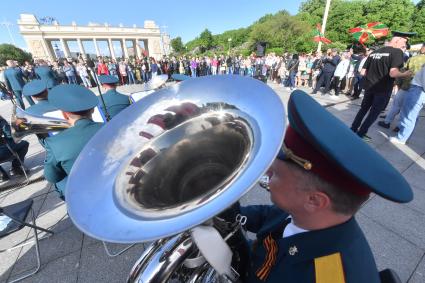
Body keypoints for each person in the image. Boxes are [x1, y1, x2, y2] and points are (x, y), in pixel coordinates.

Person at [241, 90, 413, 283]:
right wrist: (229, 214)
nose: (266, 173)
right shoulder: (309, 214)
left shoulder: (327, 276)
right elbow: (270, 215)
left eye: (275, 173)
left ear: (314, 200)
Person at [350, 31, 415, 141]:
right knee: (374, 113)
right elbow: (393, 73)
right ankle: (361, 134)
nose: (404, 45)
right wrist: (405, 74)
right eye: (404, 42)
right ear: (397, 40)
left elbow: (362, 72)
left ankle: (353, 129)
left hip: (369, 87)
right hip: (383, 89)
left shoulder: (375, 52)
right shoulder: (397, 52)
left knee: (363, 109)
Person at [44, 84, 103, 199]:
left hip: (84, 194)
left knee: (60, 182)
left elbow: (52, 177)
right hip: (111, 183)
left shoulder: (54, 142)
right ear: (93, 109)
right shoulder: (111, 127)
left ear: (64, 114)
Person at [378, 42, 425, 130]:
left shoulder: (415, 58)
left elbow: (403, 70)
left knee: (396, 105)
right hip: (420, 91)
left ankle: (387, 122)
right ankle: (400, 127)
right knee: (409, 110)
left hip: (407, 85)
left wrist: (398, 83)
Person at [389, 63, 425, 144]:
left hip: (418, 90)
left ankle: (401, 138)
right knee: (412, 116)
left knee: (408, 116)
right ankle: (405, 136)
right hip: (418, 90)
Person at [22, 80, 58, 146]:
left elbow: (23, 130)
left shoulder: (28, 112)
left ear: (33, 97)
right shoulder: (61, 102)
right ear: (47, 91)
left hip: (51, 144)